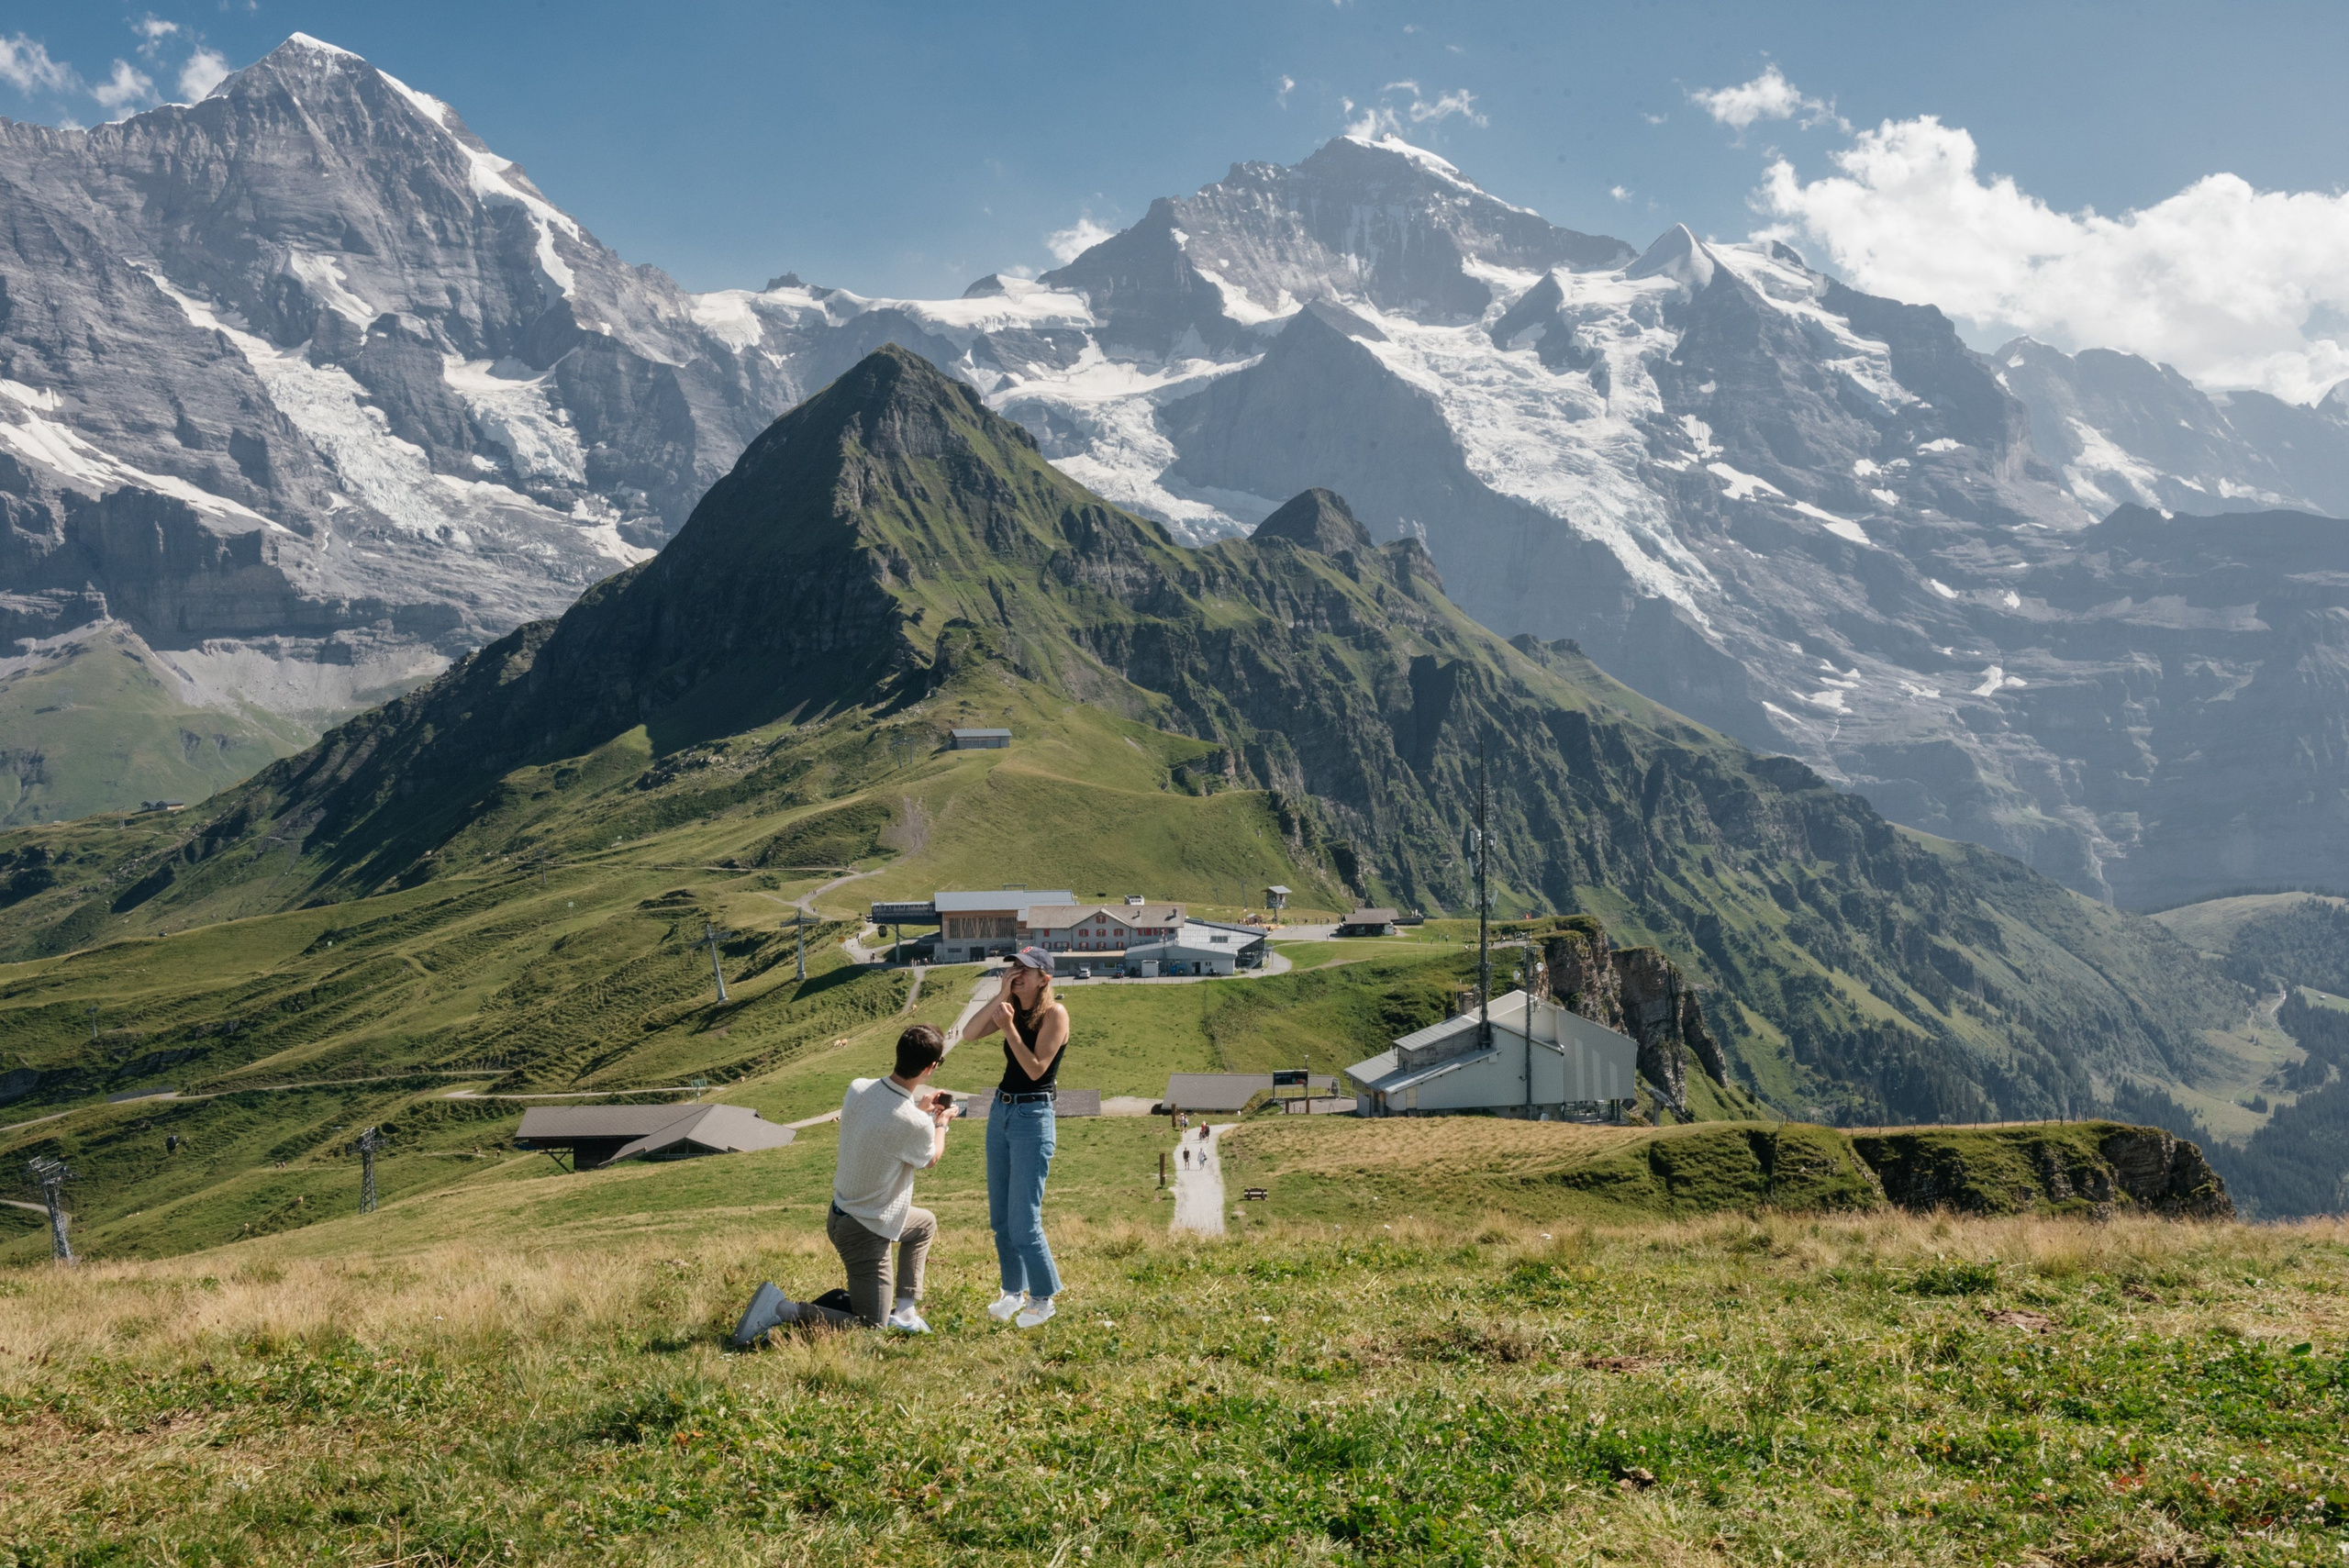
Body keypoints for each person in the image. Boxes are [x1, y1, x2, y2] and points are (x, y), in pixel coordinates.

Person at [732, 1024, 953, 1344]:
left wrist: (920, 1113)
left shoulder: (858, 1087)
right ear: (930, 1068)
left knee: (924, 1224)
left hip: (842, 1213)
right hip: (866, 1231)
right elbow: (931, 1158)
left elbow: (885, 1121)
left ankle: (905, 1312)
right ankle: (782, 1308)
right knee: (870, 1328)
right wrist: (940, 1123)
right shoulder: (916, 1123)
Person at [953, 944, 1068, 1328]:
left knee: (1024, 1220)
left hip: (1032, 1115)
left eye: (1025, 969)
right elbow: (968, 1034)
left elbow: (1037, 1069)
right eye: (1014, 966)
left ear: (1043, 979)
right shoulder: (1011, 1007)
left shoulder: (1055, 1014)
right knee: (1000, 1219)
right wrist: (1001, 999)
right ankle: (1011, 1293)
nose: (1016, 972)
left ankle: (1043, 1297)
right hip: (1001, 1111)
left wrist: (1008, 1029)